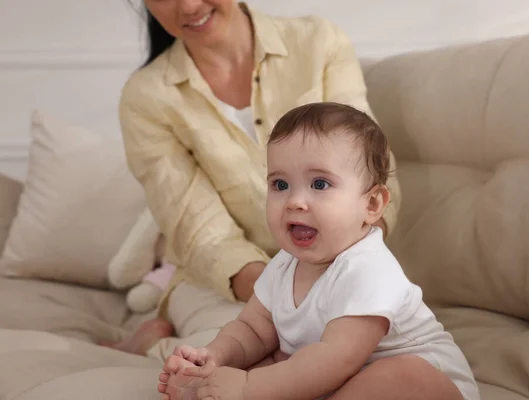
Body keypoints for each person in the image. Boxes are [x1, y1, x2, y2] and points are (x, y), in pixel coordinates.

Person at [110, 0, 402, 362]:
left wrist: (336, 279)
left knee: (350, 361)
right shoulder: (146, 97)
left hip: (341, 269)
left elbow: (372, 171)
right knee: (242, 357)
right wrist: (284, 294)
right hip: (221, 284)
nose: (187, 5)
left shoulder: (318, 42)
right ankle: (153, 341)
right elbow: (201, 231)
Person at [158, 102, 480, 400]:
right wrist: (215, 355)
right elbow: (252, 329)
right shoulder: (284, 264)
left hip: (431, 388)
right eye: (280, 185)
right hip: (332, 377)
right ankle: (203, 386)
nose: (295, 201)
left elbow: (335, 360)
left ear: (371, 204)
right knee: (271, 358)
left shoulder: (368, 269)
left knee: (401, 376)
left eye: (320, 184)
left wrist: (246, 388)